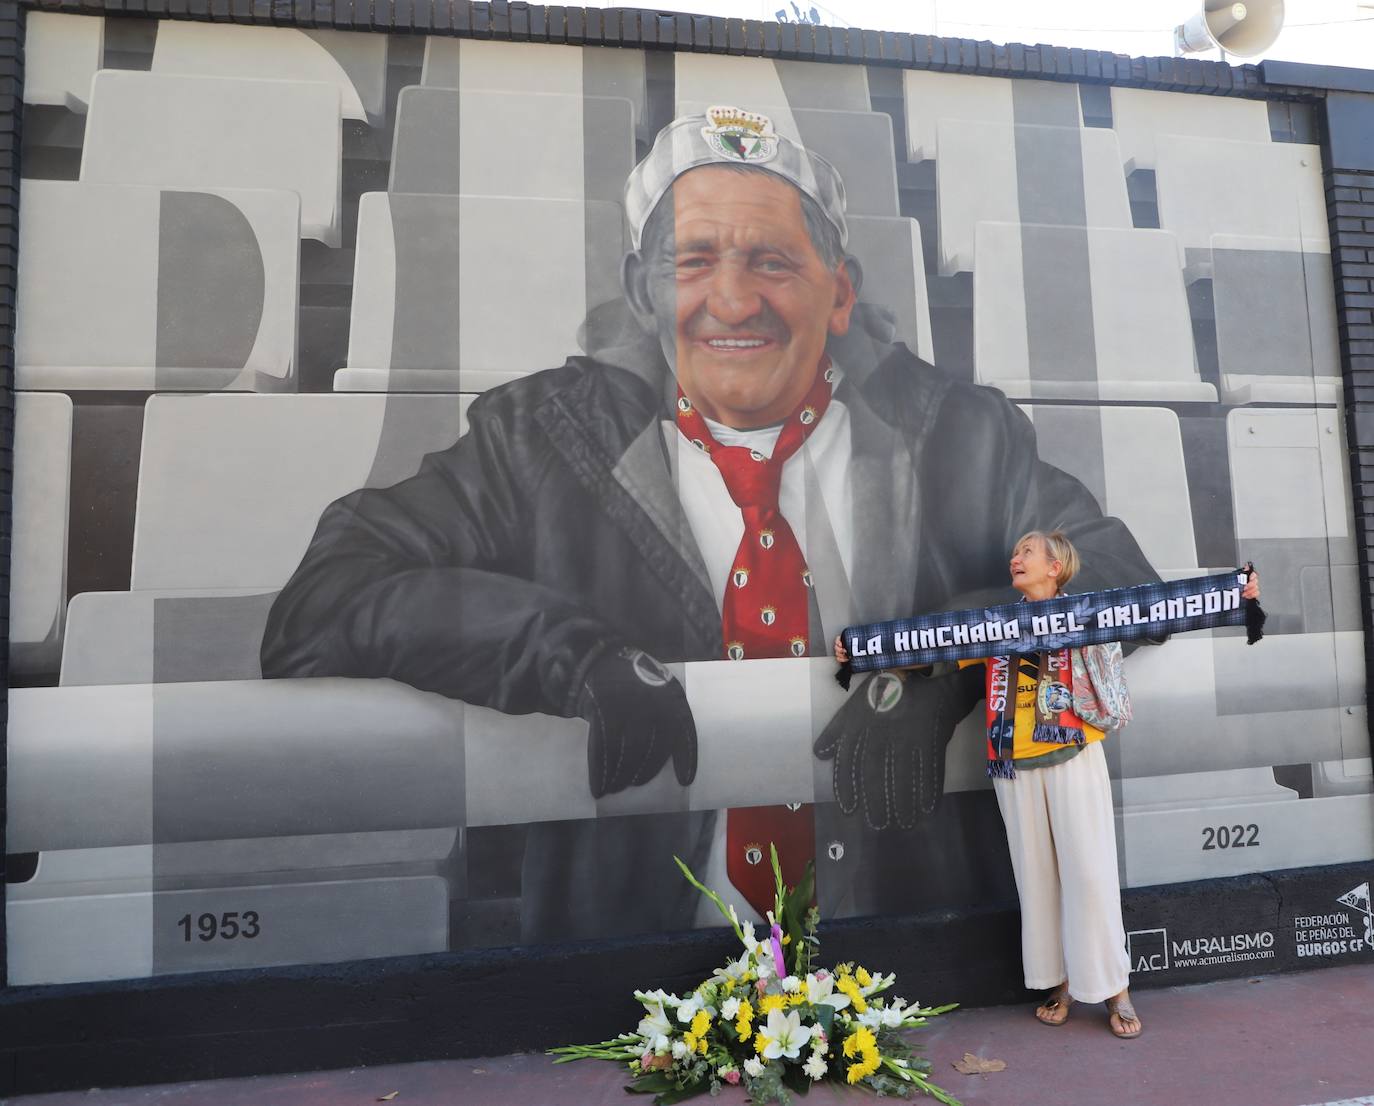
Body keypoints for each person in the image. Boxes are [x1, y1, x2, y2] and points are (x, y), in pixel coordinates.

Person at [261, 105, 1162, 941]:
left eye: (772, 262)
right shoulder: (538, 438)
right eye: (693, 263)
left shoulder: (961, 432)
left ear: (838, 294)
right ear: (643, 291)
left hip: (907, 955)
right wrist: (572, 657)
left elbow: (1120, 575)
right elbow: (327, 600)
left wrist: (943, 660)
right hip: (628, 979)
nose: (732, 301)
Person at [836, 530, 1260, 1039]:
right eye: (1016, 552)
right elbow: (934, 648)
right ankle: (1055, 983)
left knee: (1089, 870)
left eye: (1027, 552)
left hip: (1072, 754)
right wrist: (862, 652)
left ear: (1055, 566)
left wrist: (1237, 595)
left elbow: (1158, 612)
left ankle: (1113, 990)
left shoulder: (1092, 612)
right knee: (1035, 877)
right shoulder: (995, 621)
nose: (1015, 558)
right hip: (1011, 762)